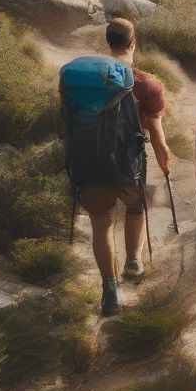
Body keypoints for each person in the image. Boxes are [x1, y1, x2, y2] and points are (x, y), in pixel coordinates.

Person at [72, 17, 172, 316]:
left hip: (91, 163)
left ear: (108, 41)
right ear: (133, 42)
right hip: (130, 167)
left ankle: (110, 291)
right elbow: (157, 135)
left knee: (101, 226)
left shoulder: (82, 80)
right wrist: (165, 165)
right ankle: (133, 261)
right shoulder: (147, 85)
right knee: (136, 207)